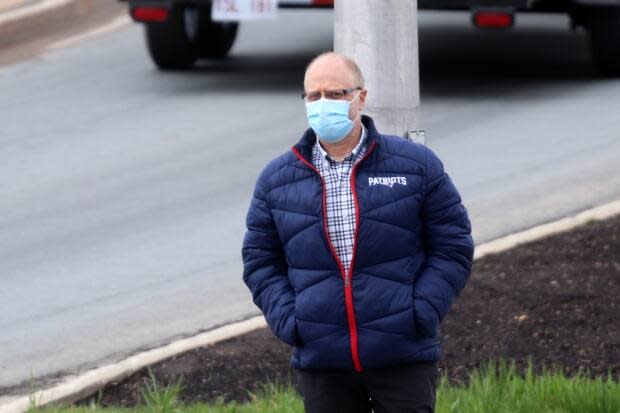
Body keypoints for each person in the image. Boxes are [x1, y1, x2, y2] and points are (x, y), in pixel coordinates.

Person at [241, 52, 474, 413]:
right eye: (313, 96)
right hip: (323, 363)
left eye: (335, 94)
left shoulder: (415, 165)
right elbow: (260, 262)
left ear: (360, 97)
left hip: (402, 357)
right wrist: (292, 321)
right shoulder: (277, 180)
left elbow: (453, 245)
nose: (323, 105)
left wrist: (420, 311)